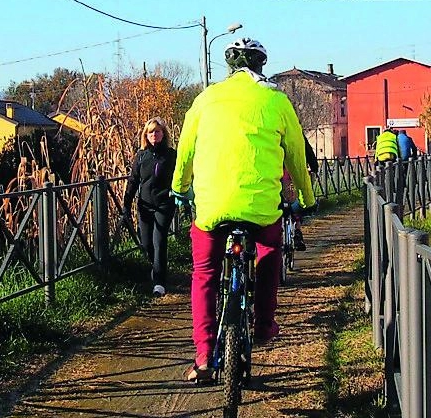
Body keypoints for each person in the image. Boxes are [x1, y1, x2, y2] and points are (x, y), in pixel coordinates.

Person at [170, 37, 316, 382]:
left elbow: (185, 151)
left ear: (229, 66)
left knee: (205, 274)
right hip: (261, 207)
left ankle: (204, 357)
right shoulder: (277, 100)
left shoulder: (205, 99)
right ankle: (264, 325)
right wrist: (307, 200)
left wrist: (179, 188)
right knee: (269, 249)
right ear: (261, 65)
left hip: (212, 207)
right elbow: (296, 156)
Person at [123, 117, 177, 297]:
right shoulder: (141, 156)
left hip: (164, 204)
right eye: (151, 132)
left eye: (158, 131)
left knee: (159, 241)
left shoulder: (171, 155)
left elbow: (179, 178)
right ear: (146, 135)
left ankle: (159, 283)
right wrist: (126, 204)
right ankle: (155, 269)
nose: (154, 134)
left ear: (164, 134)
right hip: (145, 205)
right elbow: (133, 180)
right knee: (146, 243)